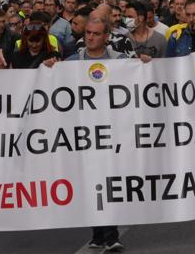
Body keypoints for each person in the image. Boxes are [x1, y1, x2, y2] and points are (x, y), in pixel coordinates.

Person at [66, 17, 126, 251]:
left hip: (111, 134)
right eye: (88, 33)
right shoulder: (72, 62)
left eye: (96, 33)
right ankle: (98, 234)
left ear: (106, 36)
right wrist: (50, 68)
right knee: (91, 184)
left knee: (107, 184)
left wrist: (145, 64)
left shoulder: (119, 61)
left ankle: (111, 235)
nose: (90, 37)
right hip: (84, 135)